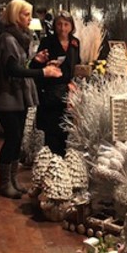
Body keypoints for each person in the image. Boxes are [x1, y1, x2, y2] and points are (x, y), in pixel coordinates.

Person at [0, 0, 62, 198]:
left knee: (18, 138)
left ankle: (13, 180)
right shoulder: (8, 39)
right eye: (25, 14)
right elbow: (12, 70)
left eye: (30, 14)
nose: (29, 18)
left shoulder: (20, 37)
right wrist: (43, 73)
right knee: (12, 138)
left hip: (17, 96)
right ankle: (4, 184)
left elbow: (21, 66)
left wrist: (35, 61)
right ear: (15, 15)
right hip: (7, 96)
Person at [30, 11, 80, 156]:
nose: (62, 28)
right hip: (51, 91)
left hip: (69, 92)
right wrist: (45, 65)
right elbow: (36, 65)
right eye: (59, 24)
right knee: (51, 129)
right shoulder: (47, 41)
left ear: (71, 26)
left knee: (66, 128)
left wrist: (75, 81)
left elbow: (77, 64)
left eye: (66, 24)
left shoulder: (75, 42)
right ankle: (51, 159)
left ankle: (63, 159)